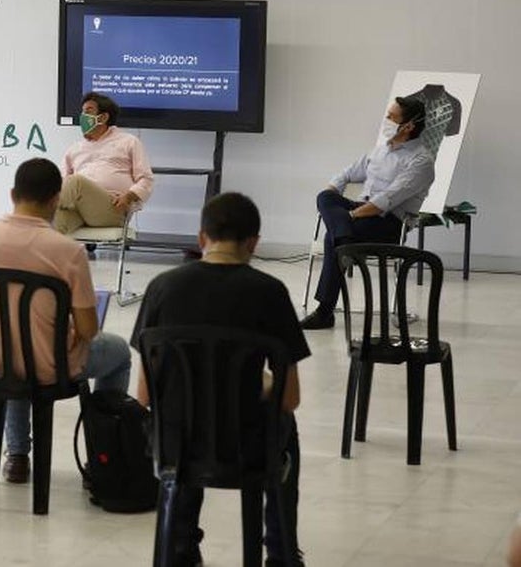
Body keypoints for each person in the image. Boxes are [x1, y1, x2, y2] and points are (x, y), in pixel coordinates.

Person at [133, 192, 308, 567]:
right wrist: (261, 382)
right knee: (286, 427)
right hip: (246, 444)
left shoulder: (162, 287)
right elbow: (289, 398)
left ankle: (180, 547)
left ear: (202, 238)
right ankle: (281, 552)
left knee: (183, 410)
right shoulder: (270, 292)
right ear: (254, 243)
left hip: (176, 445)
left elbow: (144, 394)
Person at [0, 158, 132, 483]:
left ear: (12, 194)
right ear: (56, 200)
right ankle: (101, 455)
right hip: (52, 366)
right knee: (118, 352)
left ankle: (17, 457)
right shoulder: (68, 251)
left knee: (13, 347)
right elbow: (88, 330)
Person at [301, 96, 434, 330]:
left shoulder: (420, 161)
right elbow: (346, 174)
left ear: (409, 126)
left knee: (331, 236)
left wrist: (350, 216)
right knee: (325, 197)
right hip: (358, 213)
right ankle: (344, 239)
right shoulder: (380, 151)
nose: (385, 120)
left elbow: (387, 200)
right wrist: (334, 190)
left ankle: (325, 312)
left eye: (391, 117)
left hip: (388, 223)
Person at [55, 91, 154, 235]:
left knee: (74, 182)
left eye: (88, 111)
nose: (82, 116)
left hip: (112, 208)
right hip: (78, 210)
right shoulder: (75, 148)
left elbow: (146, 179)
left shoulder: (128, 142)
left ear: (103, 117)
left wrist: (128, 197)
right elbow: (61, 181)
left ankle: (39, 209)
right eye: (82, 112)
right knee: (52, 221)